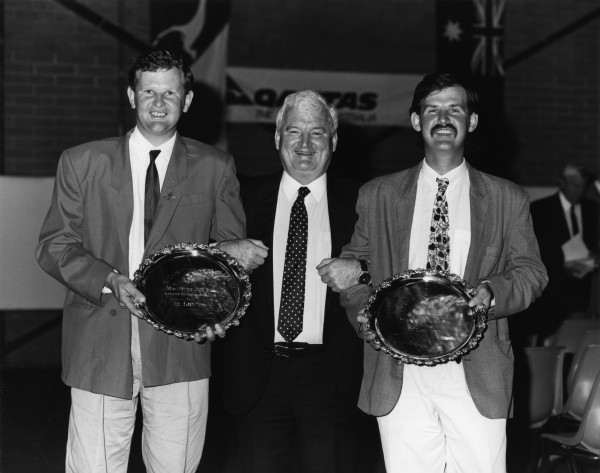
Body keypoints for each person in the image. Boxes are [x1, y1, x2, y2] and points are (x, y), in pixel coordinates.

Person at [35, 49, 268, 473]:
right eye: (148, 91)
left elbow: (228, 266)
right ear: (130, 95)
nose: (159, 103)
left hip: (181, 350)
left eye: (171, 92)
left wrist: (218, 308)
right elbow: (55, 245)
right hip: (100, 345)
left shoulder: (216, 167)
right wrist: (110, 279)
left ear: (188, 100)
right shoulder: (82, 162)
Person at [318, 72, 548, 473]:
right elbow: (356, 270)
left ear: (471, 122)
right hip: (399, 371)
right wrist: (365, 315)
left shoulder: (507, 197)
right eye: (432, 110)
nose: (444, 118)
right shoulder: (378, 194)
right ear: (415, 121)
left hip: (477, 368)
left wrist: (493, 294)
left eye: (454, 109)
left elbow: (531, 272)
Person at [219, 90, 378, 473]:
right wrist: (224, 250)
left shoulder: (363, 201)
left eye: (317, 133)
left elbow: (396, 267)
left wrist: (363, 272)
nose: (305, 145)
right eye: (293, 132)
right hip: (258, 375)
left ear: (334, 141)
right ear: (277, 139)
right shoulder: (240, 198)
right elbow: (197, 256)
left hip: (332, 377)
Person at [526, 164, 599, 343]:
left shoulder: (592, 209)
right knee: (548, 340)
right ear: (562, 183)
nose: (580, 191)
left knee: (577, 339)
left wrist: (595, 258)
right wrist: (561, 267)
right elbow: (534, 250)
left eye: (583, 186)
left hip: (583, 290)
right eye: (575, 186)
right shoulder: (540, 209)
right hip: (552, 289)